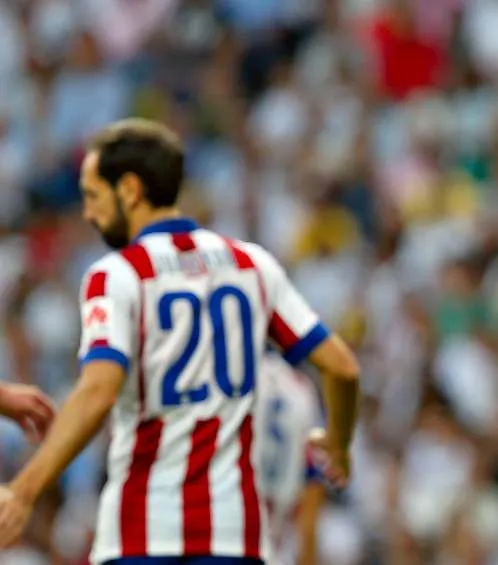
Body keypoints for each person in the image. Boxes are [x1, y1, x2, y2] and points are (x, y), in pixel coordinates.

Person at [0, 118, 361, 565]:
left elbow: (98, 389)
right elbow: (343, 367)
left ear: (130, 190)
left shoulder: (117, 275)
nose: (88, 214)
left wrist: (24, 489)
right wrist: (339, 443)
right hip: (235, 536)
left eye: (93, 197)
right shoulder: (252, 265)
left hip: (142, 533)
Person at [253, 352, 328, 565]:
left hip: (227, 542)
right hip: (276, 547)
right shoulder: (303, 390)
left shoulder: (236, 376)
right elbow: (312, 486)